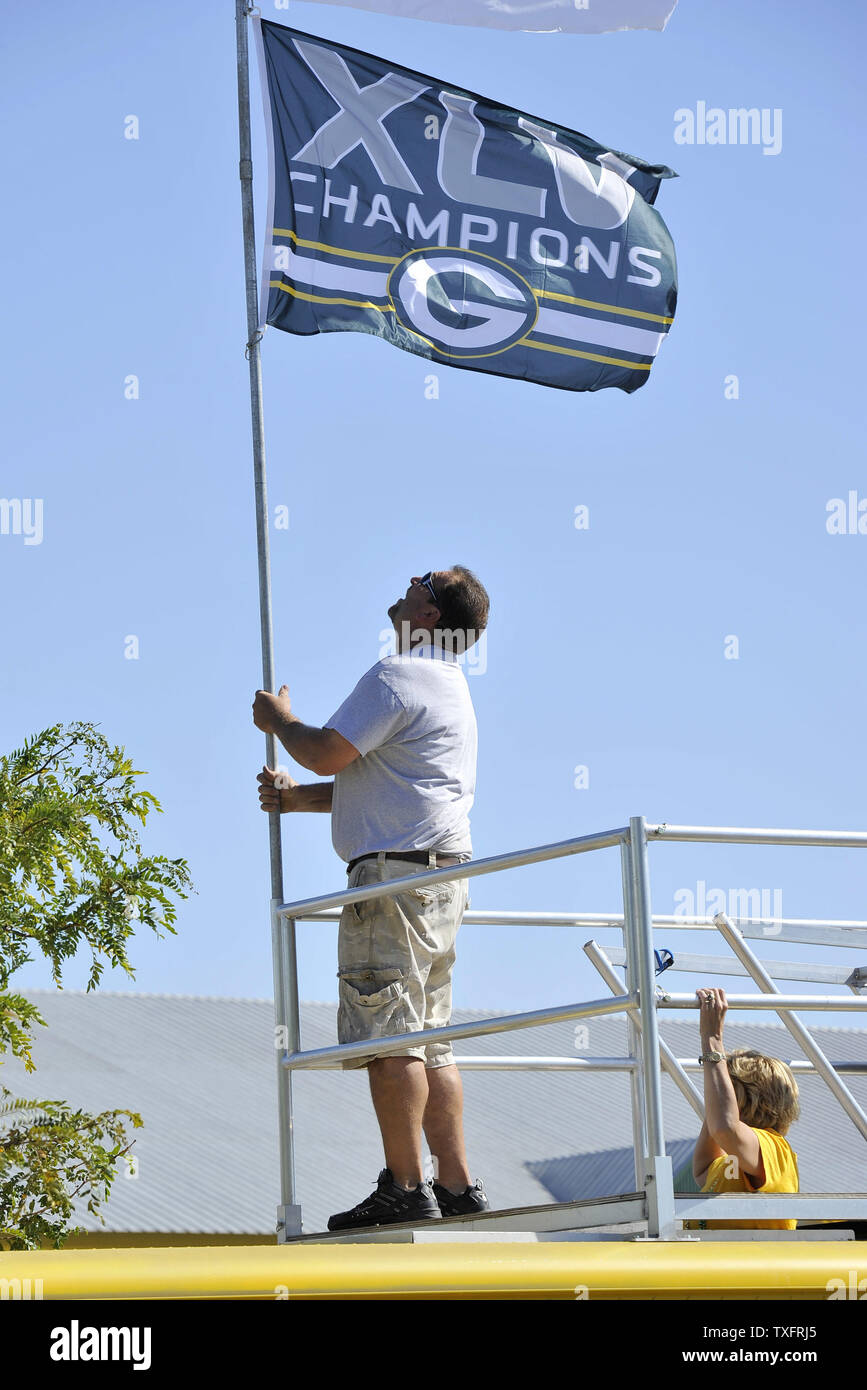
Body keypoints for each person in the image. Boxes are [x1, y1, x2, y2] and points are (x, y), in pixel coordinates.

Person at [252, 567, 491, 1231]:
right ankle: (455, 1183)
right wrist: (299, 799)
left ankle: (407, 1187)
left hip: (392, 880)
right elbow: (388, 782)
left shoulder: (400, 675)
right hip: (437, 876)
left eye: (422, 582)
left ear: (433, 613)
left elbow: (329, 753)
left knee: (390, 1035)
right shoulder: (447, 686)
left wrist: (281, 721)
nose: (407, 583)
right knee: (429, 1039)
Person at [689, 986, 800, 1230]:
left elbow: (726, 1128)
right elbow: (702, 1169)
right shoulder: (735, 1158)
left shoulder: (773, 1147)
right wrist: (719, 1081)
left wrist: (712, 1041)